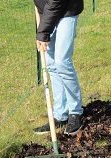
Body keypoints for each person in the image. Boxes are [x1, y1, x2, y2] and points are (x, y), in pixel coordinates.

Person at [33, 0, 84, 136]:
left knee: (62, 62)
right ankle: (60, 114)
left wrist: (43, 31)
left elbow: (56, 2)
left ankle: (75, 112)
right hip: (47, 11)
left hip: (67, 9)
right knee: (52, 64)